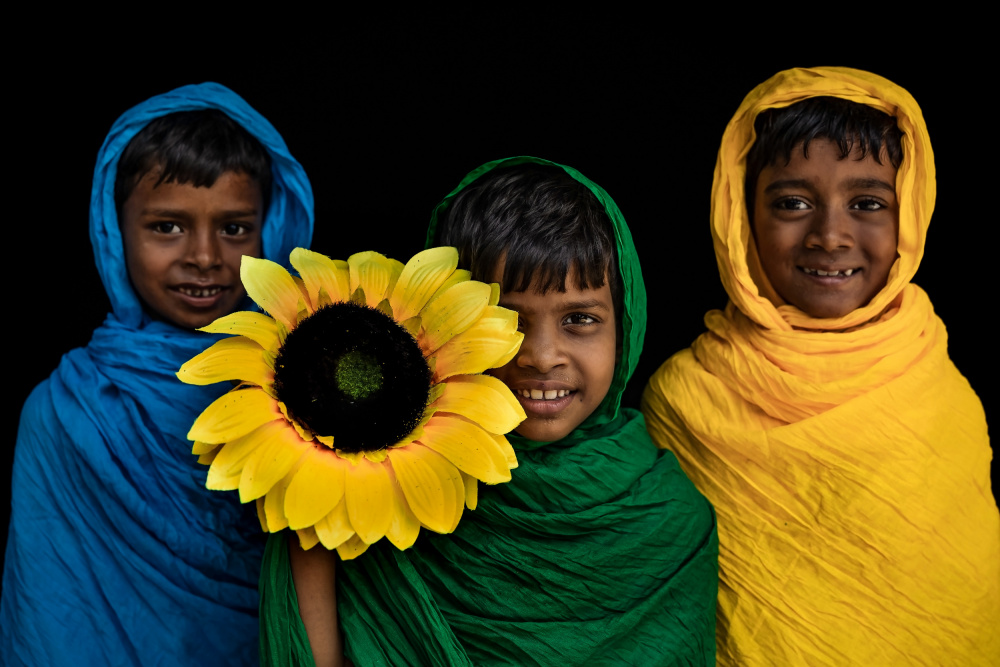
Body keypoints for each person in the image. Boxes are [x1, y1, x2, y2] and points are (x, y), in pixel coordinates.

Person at [259, 156, 719, 666]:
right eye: (506, 320)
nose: (542, 356)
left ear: (626, 327)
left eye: (580, 319)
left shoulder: (669, 525)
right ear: (442, 321)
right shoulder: (387, 482)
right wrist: (316, 487)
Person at [642, 66, 1000, 665]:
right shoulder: (683, 399)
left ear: (910, 214)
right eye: (792, 203)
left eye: (867, 203)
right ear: (740, 218)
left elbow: (959, 611)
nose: (830, 235)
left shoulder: (940, 394)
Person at [1, 83, 314, 665]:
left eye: (235, 228)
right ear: (113, 232)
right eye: (167, 227)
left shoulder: (308, 391)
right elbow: (51, 619)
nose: (204, 255)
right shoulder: (67, 414)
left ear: (274, 233)